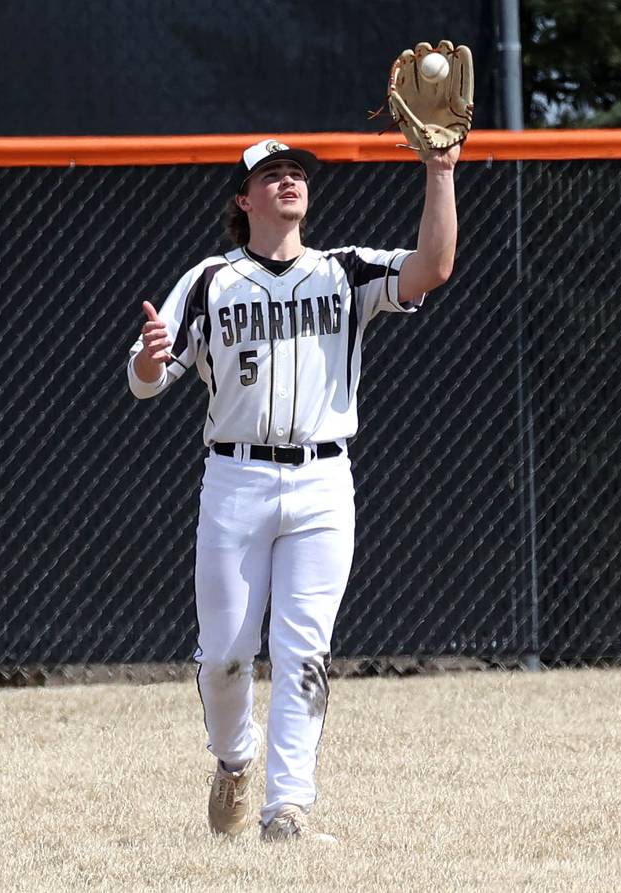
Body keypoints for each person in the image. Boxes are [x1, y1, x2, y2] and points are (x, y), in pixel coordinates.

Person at [127, 137, 459, 842]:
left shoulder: (343, 272)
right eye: (269, 174)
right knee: (223, 655)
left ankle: (289, 809)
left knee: (305, 650)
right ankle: (234, 759)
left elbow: (434, 267)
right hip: (236, 477)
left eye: (295, 173)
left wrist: (440, 170)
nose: (287, 180)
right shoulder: (212, 279)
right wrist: (151, 362)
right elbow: (148, 377)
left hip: (323, 480)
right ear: (243, 200)